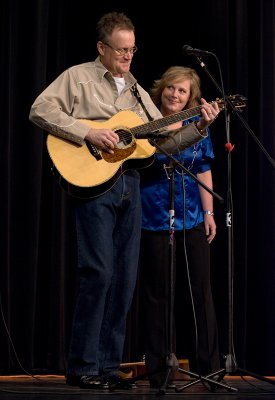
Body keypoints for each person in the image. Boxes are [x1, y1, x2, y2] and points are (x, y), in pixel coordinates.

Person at [29, 12, 219, 390]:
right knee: (98, 273)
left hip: (130, 183)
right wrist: (89, 132)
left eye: (132, 50)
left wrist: (199, 125)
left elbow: (163, 141)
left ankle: (107, 366)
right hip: (94, 181)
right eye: (121, 50)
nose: (128, 57)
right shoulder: (77, 77)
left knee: (125, 277)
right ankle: (83, 363)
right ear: (102, 47)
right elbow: (41, 109)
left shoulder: (136, 91)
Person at [139, 66, 221, 388]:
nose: (175, 94)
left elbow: (202, 167)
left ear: (191, 97)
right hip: (154, 216)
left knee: (201, 292)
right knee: (157, 295)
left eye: (182, 91)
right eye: (171, 88)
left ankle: (210, 369)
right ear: (162, 89)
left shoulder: (197, 124)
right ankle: (159, 373)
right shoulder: (144, 120)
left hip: (192, 218)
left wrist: (209, 213)